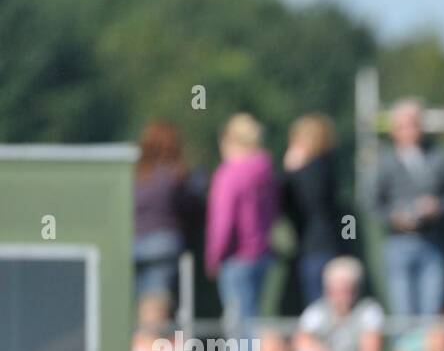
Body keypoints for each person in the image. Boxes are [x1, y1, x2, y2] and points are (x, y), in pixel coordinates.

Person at [373, 98, 444, 316]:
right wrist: (393, 216)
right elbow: (372, 202)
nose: (410, 130)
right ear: (394, 130)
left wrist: (437, 207)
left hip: (432, 242)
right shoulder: (384, 161)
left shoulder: (439, 156)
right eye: (404, 125)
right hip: (398, 244)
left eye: (414, 123)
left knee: (431, 315)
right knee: (403, 314)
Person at [205, 113, 279, 328]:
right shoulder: (266, 172)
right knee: (253, 318)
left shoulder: (229, 174)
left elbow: (223, 221)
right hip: (262, 255)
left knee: (238, 323)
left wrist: (214, 255)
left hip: (236, 258)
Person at [293, 255, 384, 351]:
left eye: (346, 289)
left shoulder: (368, 310)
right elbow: (300, 341)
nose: (341, 295)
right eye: (336, 289)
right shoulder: (316, 311)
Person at [133, 120, 201, 299]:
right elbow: (193, 209)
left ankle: (145, 326)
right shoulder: (176, 174)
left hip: (134, 245)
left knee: (140, 301)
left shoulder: (135, 175)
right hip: (165, 243)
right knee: (157, 300)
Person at [283, 113, 343, 307]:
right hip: (319, 245)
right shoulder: (327, 166)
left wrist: (292, 171)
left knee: (318, 305)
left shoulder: (317, 169)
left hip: (316, 247)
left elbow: (309, 202)